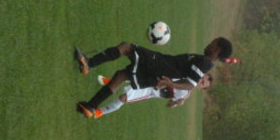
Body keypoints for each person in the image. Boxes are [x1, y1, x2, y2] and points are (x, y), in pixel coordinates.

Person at [74, 38, 233, 118]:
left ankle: (89, 63)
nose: (208, 44)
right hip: (160, 69)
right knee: (121, 76)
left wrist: (170, 84)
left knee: (126, 47)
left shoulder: (205, 62)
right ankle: (90, 106)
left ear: (217, 49)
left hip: (160, 66)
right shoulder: (206, 62)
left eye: (212, 43)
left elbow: (190, 85)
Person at [87, 74, 213, 119]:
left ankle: (99, 112)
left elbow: (169, 104)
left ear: (200, 88)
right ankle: (109, 82)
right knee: (128, 76)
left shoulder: (185, 93)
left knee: (123, 98)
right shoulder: (188, 73)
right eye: (202, 78)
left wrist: (177, 103)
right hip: (153, 78)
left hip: (150, 91)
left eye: (202, 83)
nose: (200, 80)